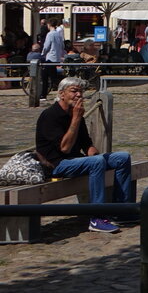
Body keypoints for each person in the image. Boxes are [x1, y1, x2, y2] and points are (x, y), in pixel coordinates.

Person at [35, 77, 135, 234]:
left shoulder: (76, 114)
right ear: (61, 94)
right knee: (96, 163)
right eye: (74, 91)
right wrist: (75, 119)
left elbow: (86, 143)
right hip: (56, 164)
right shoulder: (50, 116)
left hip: (76, 160)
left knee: (122, 158)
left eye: (81, 92)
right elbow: (65, 148)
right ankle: (97, 218)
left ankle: (121, 210)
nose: (79, 95)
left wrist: (96, 153)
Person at [41, 18, 66, 100]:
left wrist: (42, 54)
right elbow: (62, 46)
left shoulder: (50, 34)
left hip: (50, 58)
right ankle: (45, 94)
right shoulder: (58, 34)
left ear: (49, 25)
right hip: (57, 57)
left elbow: (46, 46)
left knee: (46, 77)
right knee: (52, 76)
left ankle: (44, 95)